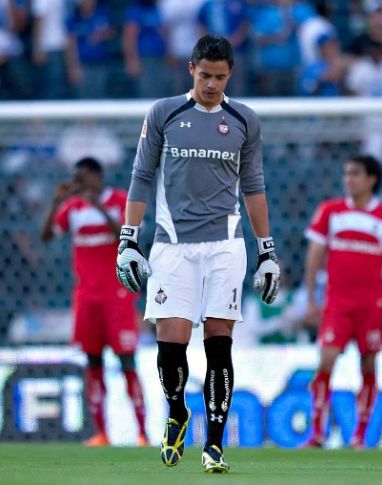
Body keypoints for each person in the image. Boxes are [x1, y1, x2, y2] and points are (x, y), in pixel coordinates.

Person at [115, 34, 280, 473]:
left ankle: (215, 444)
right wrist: (128, 238)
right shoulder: (165, 113)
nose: (212, 84)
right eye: (205, 75)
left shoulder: (244, 119)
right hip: (172, 245)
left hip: (226, 245)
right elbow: (141, 175)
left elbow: (254, 187)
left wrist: (267, 251)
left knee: (219, 344)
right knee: (171, 345)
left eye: (220, 77)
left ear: (230, 75)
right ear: (191, 69)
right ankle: (177, 412)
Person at [303, 155, 382, 449]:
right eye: (346, 173)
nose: (348, 179)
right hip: (337, 303)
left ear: (371, 179)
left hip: (372, 305)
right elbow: (314, 254)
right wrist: (312, 299)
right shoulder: (330, 211)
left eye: (355, 174)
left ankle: (360, 436)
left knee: (369, 363)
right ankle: (317, 433)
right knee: (325, 361)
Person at [42, 157, 149, 447]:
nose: (78, 183)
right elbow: (47, 236)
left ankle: (142, 432)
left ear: (96, 177)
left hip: (117, 295)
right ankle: (102, 433)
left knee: (127, 361)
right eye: (75, 178)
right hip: (87, 298)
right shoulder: (72, 209)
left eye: (82, 177)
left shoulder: (119, 201)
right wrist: (56, 203)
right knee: (93, 363)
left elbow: (128, 238)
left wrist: (99, 208)